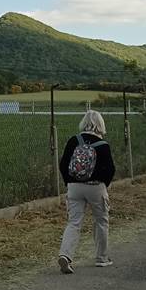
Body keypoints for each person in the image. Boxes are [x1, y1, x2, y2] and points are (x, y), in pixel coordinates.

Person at [57, 110, 116, 274]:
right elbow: (110, 169)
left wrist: (68, 183)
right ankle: (102, 258)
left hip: (74, 187)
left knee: (74, 222)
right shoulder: (103, 145)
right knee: (101, 221)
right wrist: (104, 185)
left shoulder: (73, 141)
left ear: (84, 122)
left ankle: (65, 255)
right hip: (95, 187)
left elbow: (63, 165)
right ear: (101, 125)